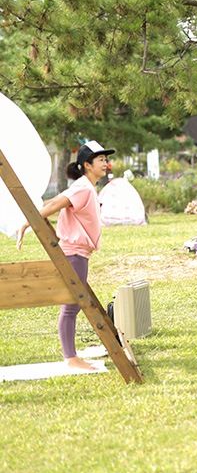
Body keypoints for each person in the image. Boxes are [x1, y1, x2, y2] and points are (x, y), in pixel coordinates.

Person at [17, 140, 115, 371]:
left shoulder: (85, 187)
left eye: (105, 159)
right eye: (101, 159)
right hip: (74, 254)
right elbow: (56, 203)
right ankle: (70, 358)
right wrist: (27, 223)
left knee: (74, 304)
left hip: (79, 253)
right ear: (87, 165)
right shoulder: (82, 188)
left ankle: (71, 356)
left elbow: (57, 202)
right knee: (72, 306)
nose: (106, 163)